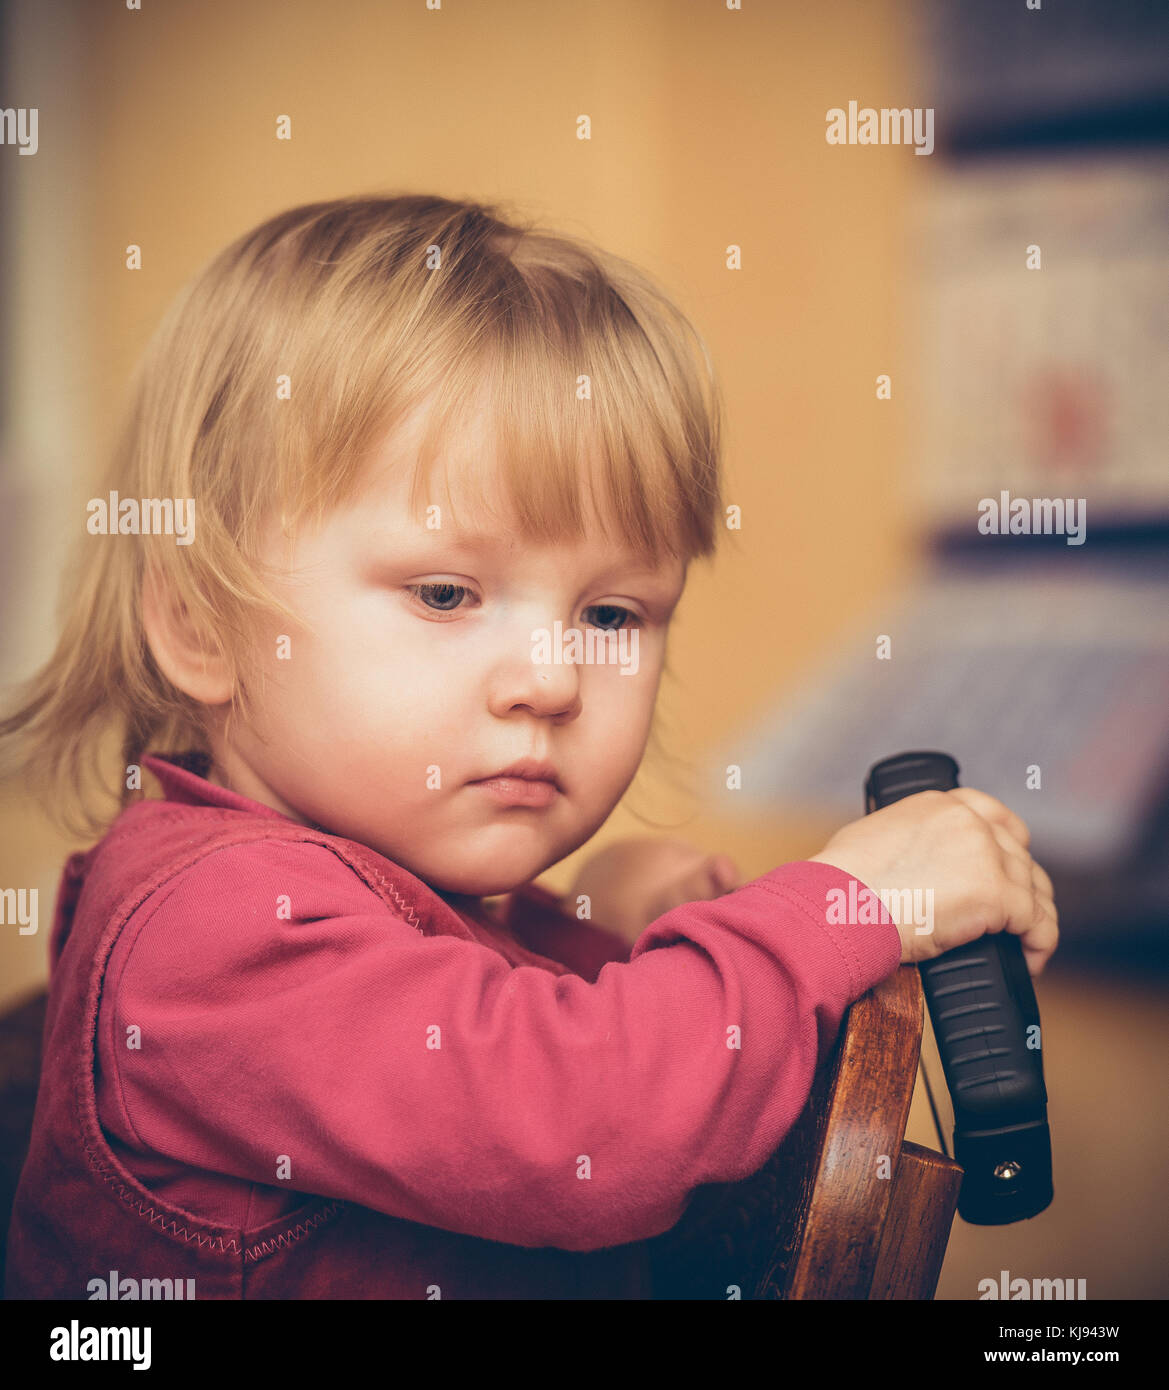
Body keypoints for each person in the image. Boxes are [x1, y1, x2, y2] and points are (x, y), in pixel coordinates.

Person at [0, 194, 1057, 1299]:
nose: (551, 680)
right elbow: (585, 1126)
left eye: (611, 615)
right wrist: (848, 903)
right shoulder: (211, 935)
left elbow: (475, 1037)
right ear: (203, 627)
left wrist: (593, 922)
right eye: (447, 593)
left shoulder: (360, 879)